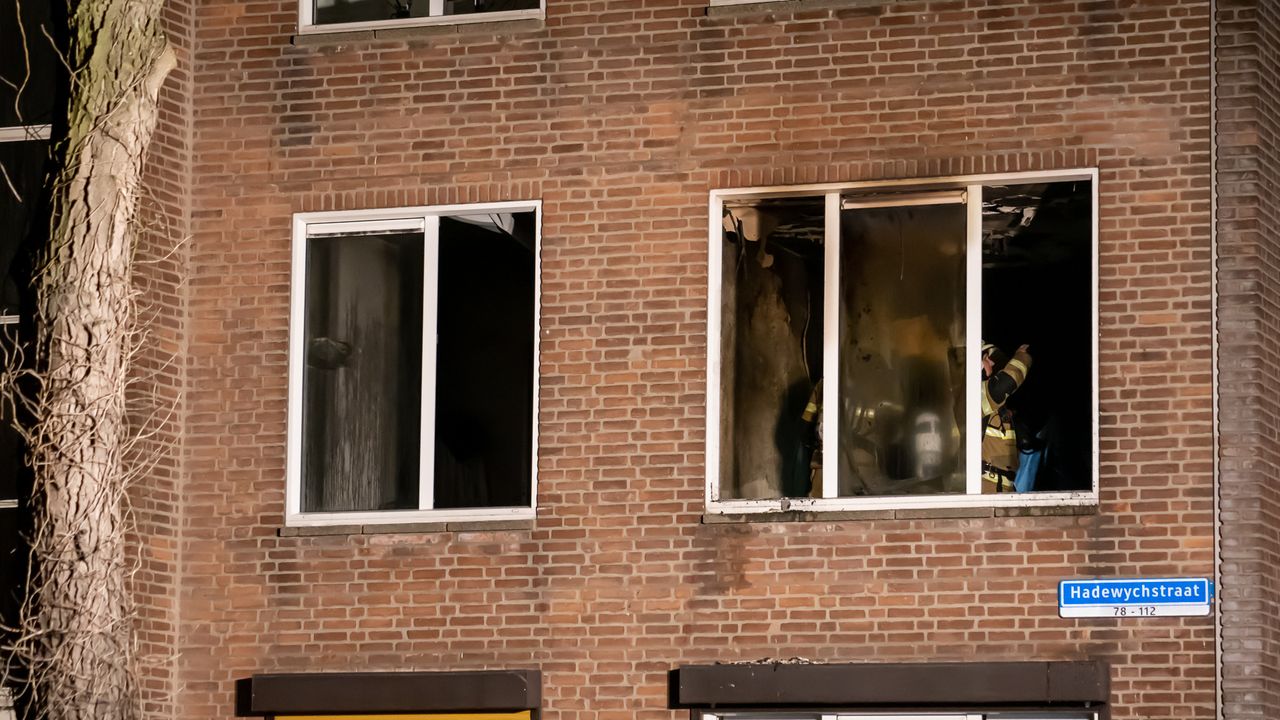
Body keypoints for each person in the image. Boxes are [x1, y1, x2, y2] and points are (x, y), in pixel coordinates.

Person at [981, 342, 1031, 493]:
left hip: (1004, 489)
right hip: (986, 489)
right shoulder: (972, 396)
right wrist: (1022, 357)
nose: (992, 362)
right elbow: (1005, 384)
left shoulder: (997, 406)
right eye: (986, 358)